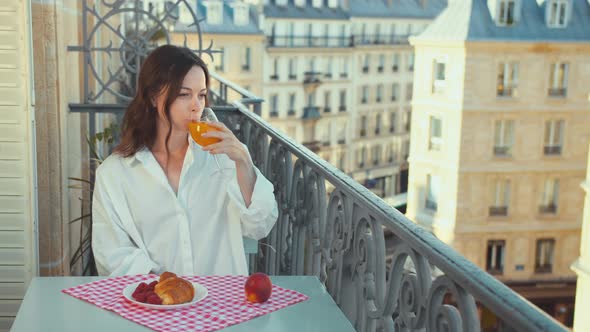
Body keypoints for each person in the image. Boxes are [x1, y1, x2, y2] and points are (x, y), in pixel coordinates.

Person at [91, 45, 278, 276]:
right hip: (154, 305)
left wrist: (243, 162)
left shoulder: (223, 159)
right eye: (183, 94)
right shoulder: (114, 173)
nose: (196, 105)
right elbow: (112, 254)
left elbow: (260, 225)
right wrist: (169, 291)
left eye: (201, 95)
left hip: (221, 305)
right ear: (152, 97)